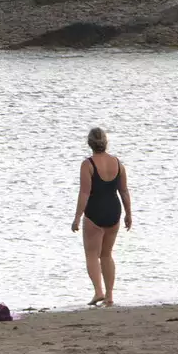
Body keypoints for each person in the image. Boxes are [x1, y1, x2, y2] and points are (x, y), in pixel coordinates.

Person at [71, 127, 133, 306]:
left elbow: (84, 193)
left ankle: (98, 291)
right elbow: (124, 191)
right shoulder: (117, 163)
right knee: (106, 254)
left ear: (89, 143)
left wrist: (77, 217)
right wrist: (129, 214)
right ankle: (110, 296)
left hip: (94, 212)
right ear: (105, 142)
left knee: (91, 254)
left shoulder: (88, 165)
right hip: (114, 211)